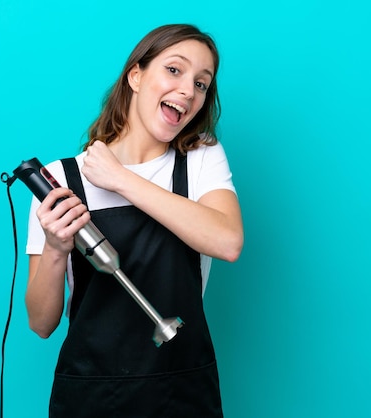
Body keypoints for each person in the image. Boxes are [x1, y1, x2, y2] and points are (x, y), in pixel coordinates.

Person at [25, 23, 243, 417]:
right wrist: (57, 249)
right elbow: (41, 323)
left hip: (182, 389)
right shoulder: (60, 183)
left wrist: (122, 180)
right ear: (136, 76)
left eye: (201, 83)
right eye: (174, 70)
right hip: (90, 395)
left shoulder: (201, 158)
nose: (188, 90)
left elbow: (227, 241)